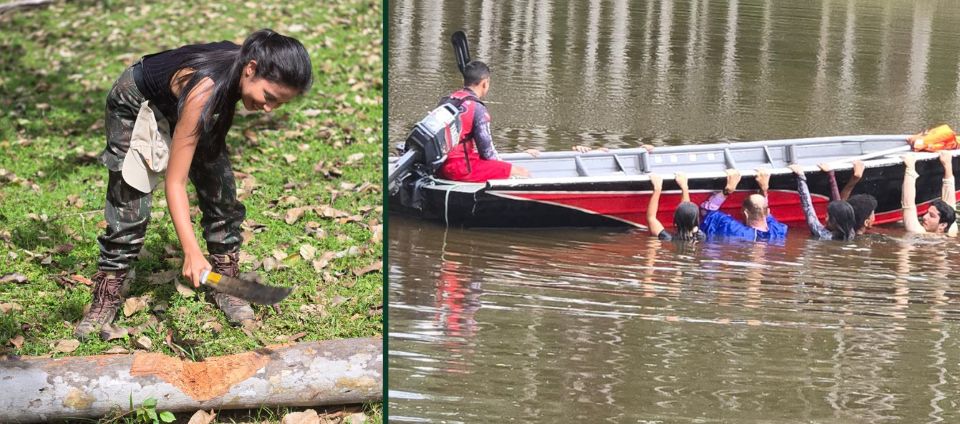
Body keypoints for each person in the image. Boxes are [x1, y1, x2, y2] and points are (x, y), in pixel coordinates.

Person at [75, 29, 313, 340]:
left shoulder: (239, 72)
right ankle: (105, 295)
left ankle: (225, 282)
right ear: (251, 69)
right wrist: (190, 251)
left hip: (187, 105)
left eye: (279, 103)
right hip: (136, 103)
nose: (268, 109)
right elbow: (175, 182)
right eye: (269, 97)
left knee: (221, 188)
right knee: (130, 202)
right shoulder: (205, 88)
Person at [436, 60, 532, 182]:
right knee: (522, 172)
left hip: (439, 166)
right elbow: (487, 152)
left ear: (464, 81)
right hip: (459, 169)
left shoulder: (447, 100)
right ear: (485, 83)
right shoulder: (478, 108)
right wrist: (505, 167)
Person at [700, 169, 788, 241]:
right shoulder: (778, 231)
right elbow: (765, 214)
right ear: (767, 212)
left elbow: (706, 213)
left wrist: (727, 191)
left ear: (745, 213)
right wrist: (764, 189)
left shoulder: (735, 230)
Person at [788, 164, 857, 241]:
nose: (825, 217)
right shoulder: (851, 232)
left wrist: (801, 177)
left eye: (828, 216)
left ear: (834, 221)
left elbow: (808, 207)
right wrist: (831, 176)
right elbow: (839, 204)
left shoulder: (822, 234)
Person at [901, 152, 957, 234]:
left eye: (931, 215)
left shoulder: (918, 232)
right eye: (927, 213)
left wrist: (910, 169)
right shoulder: (951, 230)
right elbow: (950, 204)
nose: (924, 217)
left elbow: (908, 205)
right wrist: (947, 165)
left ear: (943, 225)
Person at [818, 160, 877, 234]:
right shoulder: (848, 235)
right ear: (867, 222)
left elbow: (840, 206)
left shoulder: (843, 234)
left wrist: (855, 179)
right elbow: (839, 206)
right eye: (873, 214)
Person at [646, 172, 704, 241]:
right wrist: (685, 187)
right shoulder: (701, 237)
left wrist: (657, 188)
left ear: (675, 222)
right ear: (697, 221)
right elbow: (686, 209)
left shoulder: (668, 238)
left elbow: (651, 217)